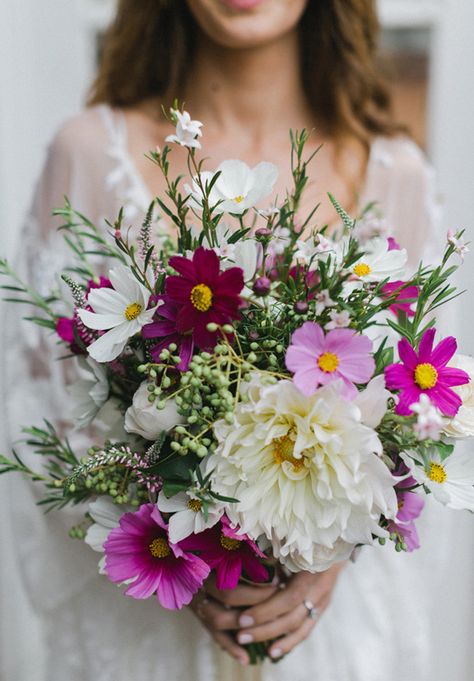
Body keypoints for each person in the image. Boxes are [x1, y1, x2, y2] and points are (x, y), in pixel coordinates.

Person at [4, 1, 449, 680]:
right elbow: (35, 413)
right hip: (140, 624)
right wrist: (180, 540)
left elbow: (418, 430)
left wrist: (335, 550)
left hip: (327, 645)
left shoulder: (397, 174)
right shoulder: (90, 153)